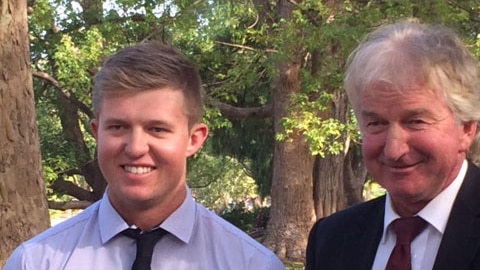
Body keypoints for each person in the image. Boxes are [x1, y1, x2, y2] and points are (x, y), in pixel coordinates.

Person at [4, 42, 284, 270]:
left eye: (157, 129)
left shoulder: (250, 264)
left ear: (193, 139)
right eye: (118, 127)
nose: (136, 147)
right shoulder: (37, 262)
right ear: (96, 132)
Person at [305, 19, 480, 270]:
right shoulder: (331, 240)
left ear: (466, 127)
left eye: (415, 121)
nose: (394, 150)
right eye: (376, 123)